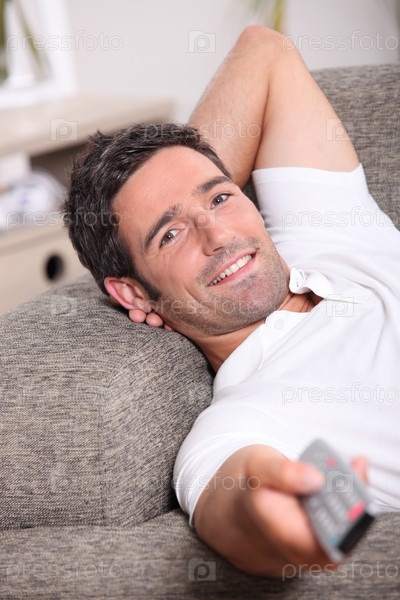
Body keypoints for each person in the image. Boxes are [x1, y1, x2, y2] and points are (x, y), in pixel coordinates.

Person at [63, 26, 400, 577]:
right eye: (170, 234)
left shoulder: (326, 233)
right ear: (134, 293)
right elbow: (243, 496)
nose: (219, 236)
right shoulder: (241, 420)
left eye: (220, 197)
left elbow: (264, 50)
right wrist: (278, 515)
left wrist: (176, 173)